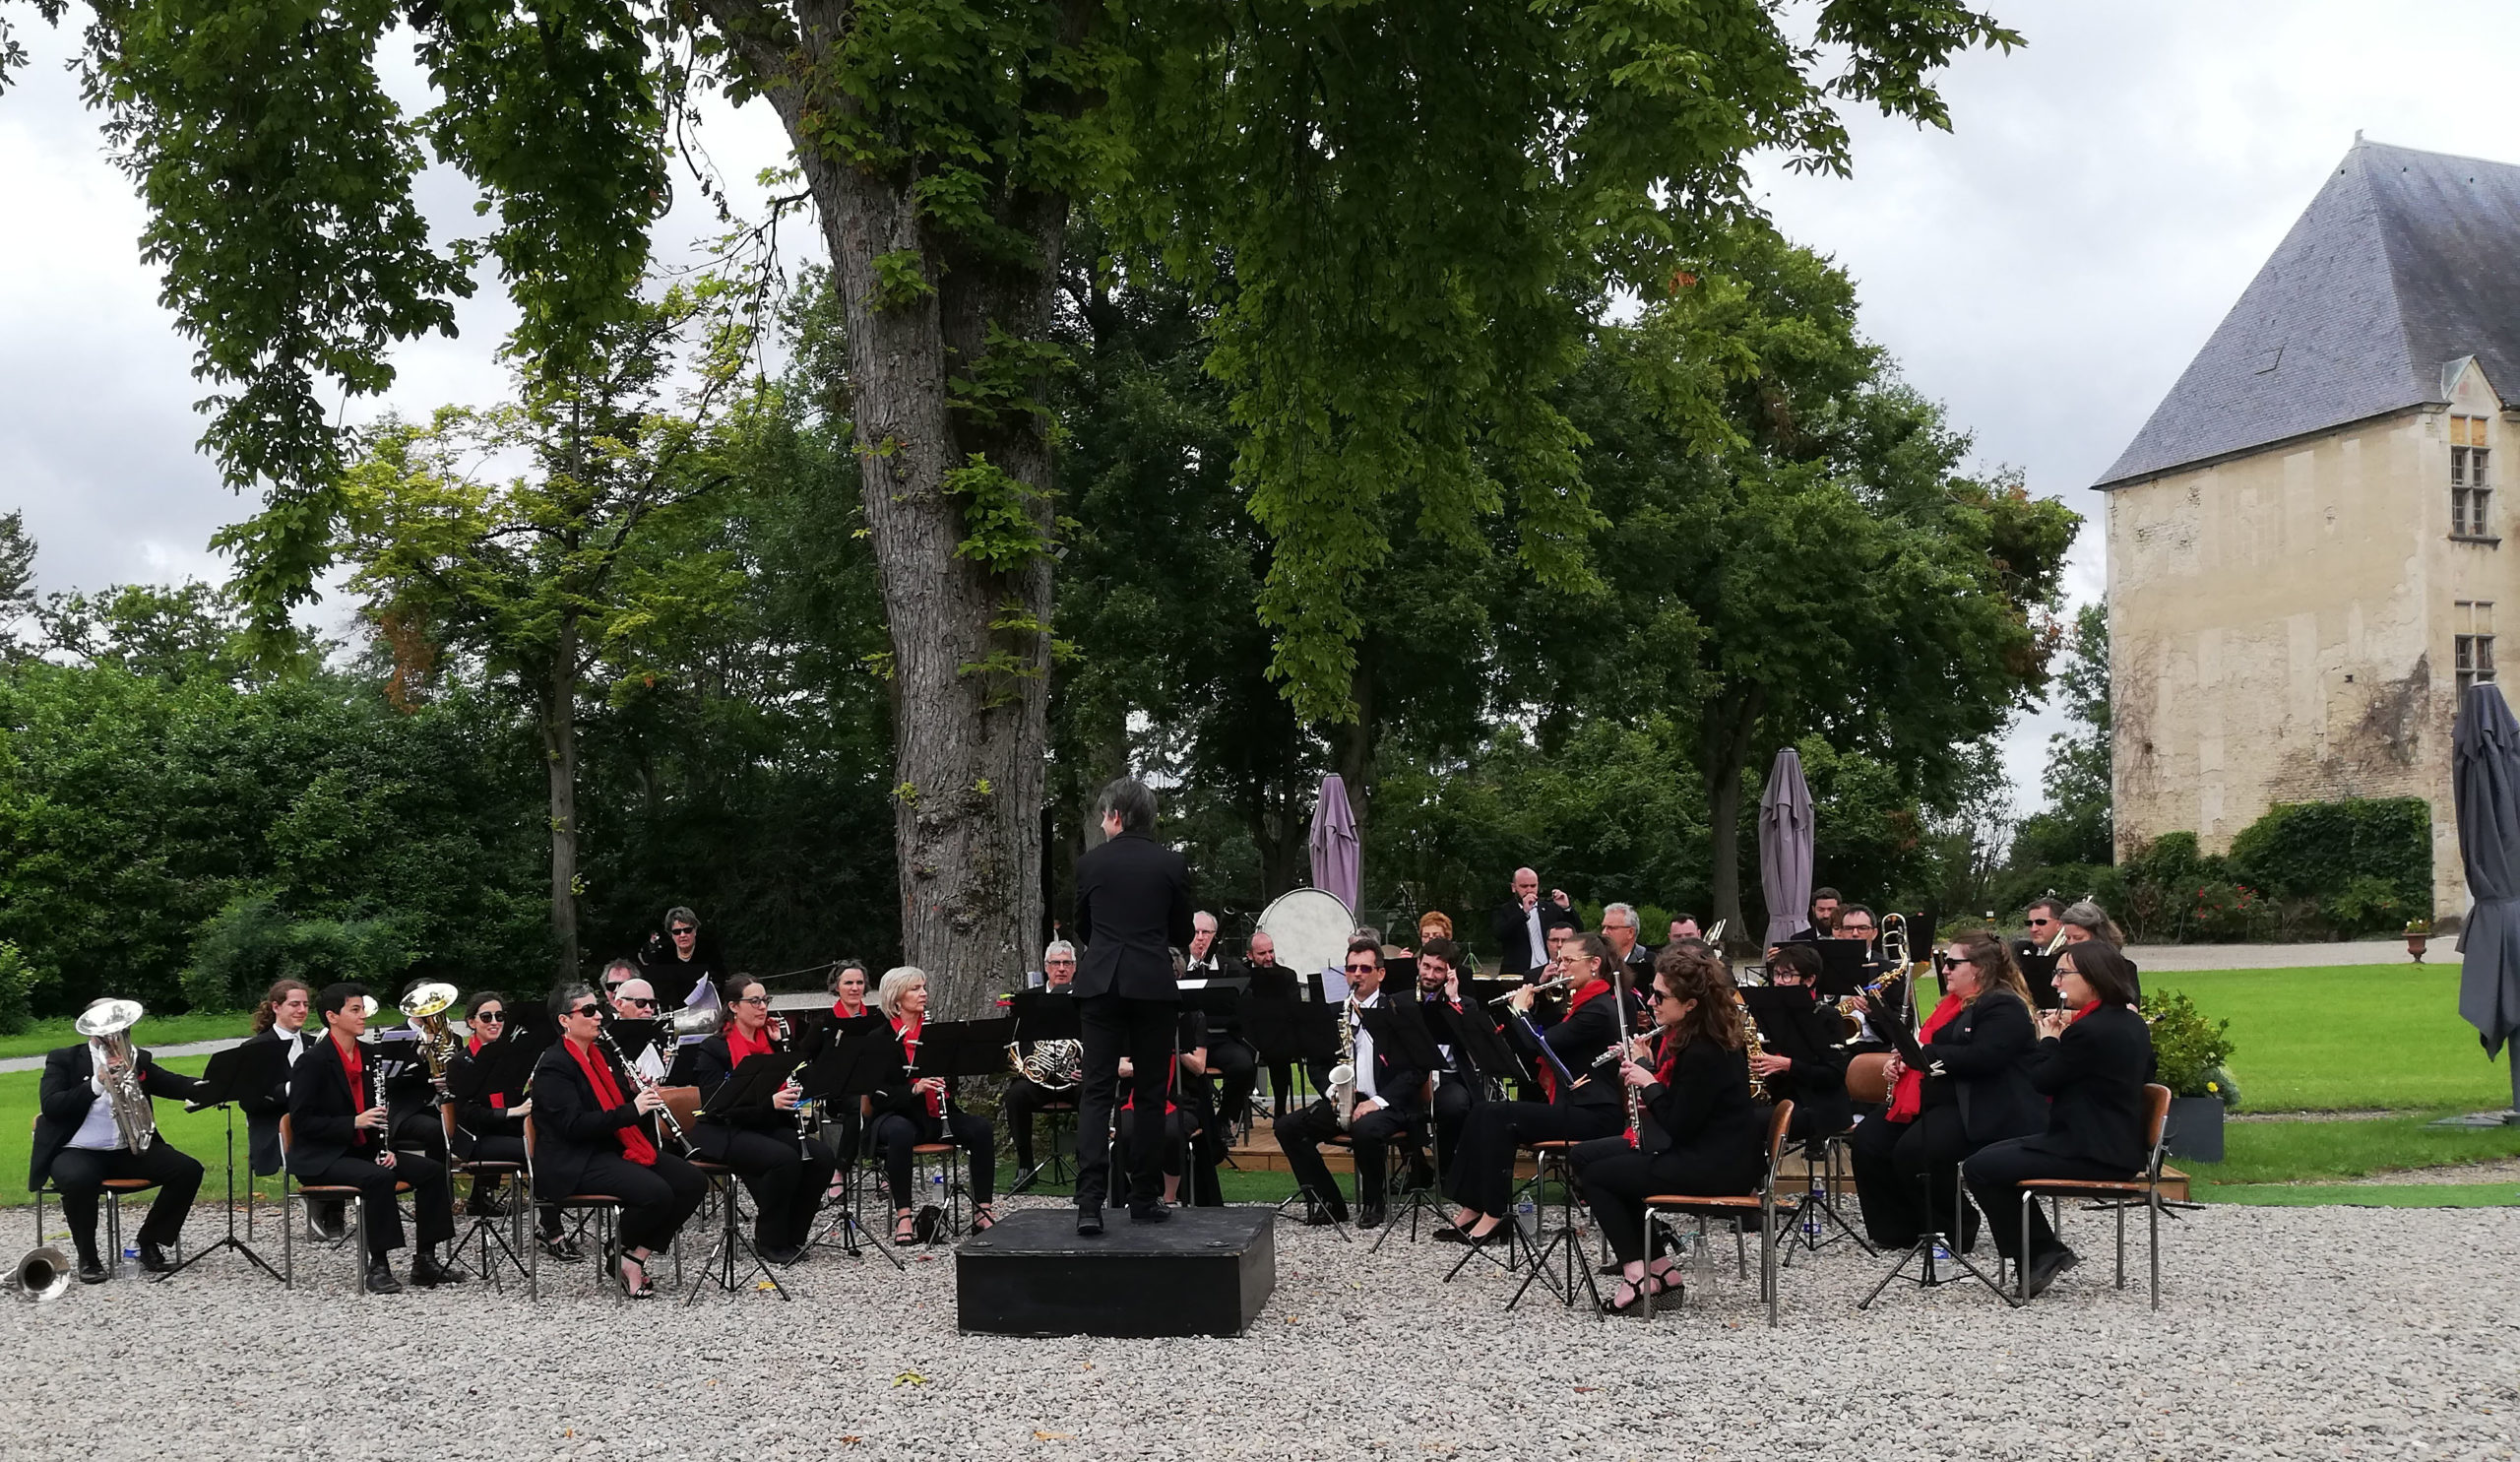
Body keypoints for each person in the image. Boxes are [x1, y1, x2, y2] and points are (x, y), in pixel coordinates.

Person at [1572, 944, 1764, 1313]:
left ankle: (1637, 1276)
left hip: (1715, 1165)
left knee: (1599, 1176)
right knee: (1591, 1159)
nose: (1651, 1002)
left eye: (1660, 996)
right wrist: (1649, 1075)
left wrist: (1648, 1080)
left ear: (1690, 1004)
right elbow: (1683, 1110)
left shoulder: (1704, 1051)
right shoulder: (1696, 1039)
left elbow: (1679, 1125)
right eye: (1652, 992)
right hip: (1709, 1152)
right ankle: (1660, 1270)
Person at [1964, 940, 2155, 1299]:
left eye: (2063, 973)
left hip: (2090, 1150)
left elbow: (2041, 1080)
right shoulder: (2130, 1022)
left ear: (2093, 978)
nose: (2055, 982)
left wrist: (2049, 1039)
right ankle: (2040, 1251)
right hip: (2112, 1144)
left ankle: (2040, 1252)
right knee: (1988, 1158)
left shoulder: (2090, 1030)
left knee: (1980, 1167)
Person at [1847, 933, 2042, 1253]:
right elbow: (1929, 1051)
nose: (1945, 970)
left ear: (1979, 969)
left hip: (1982, 1104)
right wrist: (1902, 1062)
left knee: (1917, 1149)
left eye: (1951, 963)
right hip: (1943, 1096)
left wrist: (1924, 1054)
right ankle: (1896, 1229)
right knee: (1871, 1137)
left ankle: (1954, 1227)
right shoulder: (1952, 1005)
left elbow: (1985, 1057)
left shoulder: (2004, 1006)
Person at [1438, 932, 1626, 1245]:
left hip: (1595, 1114)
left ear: (1594, 964)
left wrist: (1520, 1011)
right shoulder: (1581, 1003)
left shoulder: (1598, 1009)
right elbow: (1539, 1039)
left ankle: (1495, 1214)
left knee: (1499, 1117)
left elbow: (1544, 1044)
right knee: (1482, 1109)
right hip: (1574, 1106)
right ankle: (1473, 1206)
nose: (1561, 967)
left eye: (1569, 961)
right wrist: (1531, 1008)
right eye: (1560, 960)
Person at [1070, 775, 1194, 1235]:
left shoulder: (1090, 864)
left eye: (1104, 816)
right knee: (1150, 1095)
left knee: (1096, 1093)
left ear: (1117, 816)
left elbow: (1083, 924)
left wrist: (1108, 947)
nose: (1103, 824)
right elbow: (1181, 931)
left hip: (1101, 983)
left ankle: (1089, 1204)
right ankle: (1144, 1197)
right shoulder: (1171, 864)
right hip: (1151, 984)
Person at [531, 984, 708, 1299]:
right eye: (588, 1011)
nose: (599, 1016)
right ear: (564, 1020)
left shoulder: (601, 1055)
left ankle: (632, 1256)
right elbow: (573, 1126)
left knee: (692, 1181)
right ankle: (623, 1252)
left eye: (598, 1008)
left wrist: (637, 1095)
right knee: (656, 1193)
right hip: (574, 1160)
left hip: (610, 1147)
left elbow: (617, 1107)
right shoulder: (554, 1065)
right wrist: (632, 1109)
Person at [288, 984, 464, 1294]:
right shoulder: (312, 1061)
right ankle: (378, 1266)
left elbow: (378, 1112)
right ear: (332, 1016)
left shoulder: (370, 1055)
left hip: (361, 1151)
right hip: (322, 1156)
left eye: (362, 1009)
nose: (363, 1016)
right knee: (378, 1177)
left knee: (431, 1171)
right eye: (355, 1010)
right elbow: (302, 1123)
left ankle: (425, 1260)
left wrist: (385, 1148)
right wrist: (353, 1122)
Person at [30, 1000, 207, 1284]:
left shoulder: (136, 1058)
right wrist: (96, 1083)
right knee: (77, 1180)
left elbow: (172, 1083)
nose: (116, 1033)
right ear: (90, 1027)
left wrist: (213, 1086)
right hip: (77, 1149)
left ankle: (148, 1241)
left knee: (187, 1170)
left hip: (127, 1150)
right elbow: (52, 1106)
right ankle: (88, 1257)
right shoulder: (63, 1059)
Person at [1274, 940, 1422, 1228]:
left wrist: (1375, 1102)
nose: (1357, 974)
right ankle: (1329, 1201)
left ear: (1381, 973)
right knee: (1287, 1127)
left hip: (1388, 1102)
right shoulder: (1335, 1013)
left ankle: (1374, 1202)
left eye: (1365, 968)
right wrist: (1335, 1092)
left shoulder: (1399, 1011)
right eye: (1352, 968)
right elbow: (1317, 1063)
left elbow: (1415, 1071)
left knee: (1365, 1129)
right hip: (1344, 1099)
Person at [691, 977, 837, 1264]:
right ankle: (769, 1238)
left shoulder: (771, 1041)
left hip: (765, 1125)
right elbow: (715, 1106)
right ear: (734, 1006)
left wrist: (784, 1044)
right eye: (754, 1001)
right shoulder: (713, 1048)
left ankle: (793, 1235)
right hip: (724, 1130)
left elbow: (808, 1079)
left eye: (765, 1000)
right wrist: (769, 1102)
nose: (762, 1007)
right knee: (783, 1159)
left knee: (821, 1157)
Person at [868, 967, 1000, 1242]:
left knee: (981, 1128)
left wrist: (947, 1075)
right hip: (896, 1114)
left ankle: (982, 1211)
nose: (923, 993)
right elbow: (878, 1094)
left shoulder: (936, 1033)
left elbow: (953, 1082)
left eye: (924, 987)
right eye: (915, 988)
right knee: (901, 1133)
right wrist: (915, 1088)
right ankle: (904, 1216)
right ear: (896, 997)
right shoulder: (879, 1038)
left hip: (935, 1114)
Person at [445, 990, 575, 1260]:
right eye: (486, 1017)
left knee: (556, 1142)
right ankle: (553, 1232)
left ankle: (549, 1223)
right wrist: (510, 1112)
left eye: (500, 1016)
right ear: (471, 1022)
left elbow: (516, 1096)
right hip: (477, 1137)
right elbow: (466, 1113)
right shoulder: (460, 1062)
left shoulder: (511, 1054)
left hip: (507, 1130)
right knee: (537, 1152)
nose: (495, 1022)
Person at [241, 978, 330, 1232]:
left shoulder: (316, 1045)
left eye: (305, 1004)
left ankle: (332, 1207)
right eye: (294, 1004)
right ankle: (324, 1206)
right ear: (276, 1007)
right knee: (323, 1140)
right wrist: (292, 1089)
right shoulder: (255, 1048)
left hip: (315, 1123)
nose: (302, 1010)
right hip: (274, 1128)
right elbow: (250, 1102)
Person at [1749, 944, 1853, 1141]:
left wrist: (1788, 1065)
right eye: (1776, 974)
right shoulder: (1771, 1012)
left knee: (1746, 1124)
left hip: (1820, 1105)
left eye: (1787, 975)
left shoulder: (1827, 1017)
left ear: (1809, 980)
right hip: (1783, 1096)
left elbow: (1834, 1075)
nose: (1778, 981)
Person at [1005, 941, 1081, 1189]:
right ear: (1046, 967)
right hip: (1037, 1080)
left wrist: (1086, 1067)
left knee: (1093, 1092)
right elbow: (1016, 1042)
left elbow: (1097, 1039)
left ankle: (1087, 1163)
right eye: (1056, 963)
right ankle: (1025, 1166)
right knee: (1016, 1095)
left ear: (1075, 967)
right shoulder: (1028, 1000)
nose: (1061, 968)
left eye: (1067, 963)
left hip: (1075, 1079)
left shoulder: (1085, 997)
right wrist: (1029, 1069)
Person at [1413, 936, 1483, 1186]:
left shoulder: (1466, 1004)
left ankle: (1445, 1167)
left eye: (1438, 970)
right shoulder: (1401, 1000)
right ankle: (1417, 1167)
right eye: (1426, 966)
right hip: (1411, 1077)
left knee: (1455, 1105)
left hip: (1449, 1078)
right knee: (1396, 1104)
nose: (1430, 975)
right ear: (1418, 963)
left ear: (1450, 972)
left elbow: (1474, 1045)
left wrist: (1454, 1001)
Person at [1491, 867, 1580, 977]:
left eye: (1533, 886)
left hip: (1549, 970)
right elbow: (1499, 933)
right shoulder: (1504, 910)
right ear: (1514, 888)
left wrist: (1567, 908)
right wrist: (1523, 912)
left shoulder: (1550, 908)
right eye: (1524, 886)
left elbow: (1577, 931)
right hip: (1518, 972)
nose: (1529, 890)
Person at [636, 904, 724, 1013]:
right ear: (671, 934)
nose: (682, 935)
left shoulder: (710, 950)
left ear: (695, 930)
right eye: (677, 932)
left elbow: (720, 981)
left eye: (687, 930)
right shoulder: (662, 955)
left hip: (705, 1010)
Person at [606, 977, 670, 1084]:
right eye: (641, 1003)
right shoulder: (608, 1042)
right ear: (619, 1004)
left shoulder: (662, 1035)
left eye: (653, 1004)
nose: (649, 1010)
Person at [1601, 903, 1657, 986]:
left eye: (1611, 928)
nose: (1604, 932)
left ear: (1630, 932)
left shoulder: (1651, 962)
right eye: (1603, 927)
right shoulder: (1598, 962)